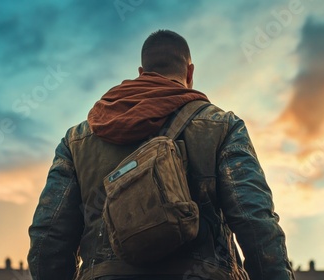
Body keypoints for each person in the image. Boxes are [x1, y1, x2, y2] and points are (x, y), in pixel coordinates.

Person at [28, 29, 295, 280]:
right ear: (189, 72)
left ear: (142, 72)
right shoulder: (222, 126)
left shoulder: (78, 139)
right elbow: (255, 222)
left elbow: (48, 237)